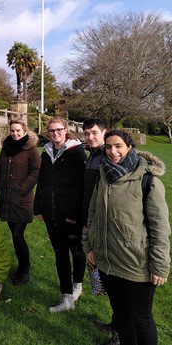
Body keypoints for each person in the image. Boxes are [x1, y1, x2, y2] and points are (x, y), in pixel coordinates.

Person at [82, 129, 170, 345]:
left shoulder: (148, 181)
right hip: (108, 262)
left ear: (130, 147)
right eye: (109, 147)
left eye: (118, 146)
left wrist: (159, 265)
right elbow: (92, 215)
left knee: (141, 319)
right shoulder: (102, 177)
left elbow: (160, 227)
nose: (113, 151)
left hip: (136, 265)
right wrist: (89, 247)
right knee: (121, 315)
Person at [34, 116, 87, 312]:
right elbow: (42, 180)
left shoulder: (77, 152)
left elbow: (80, 185)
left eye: (58, 130)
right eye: (51, 131)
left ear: (65, 130)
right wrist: (38, 207)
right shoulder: (47, 152)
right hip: (51, 211)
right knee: (59, 253)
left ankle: (78, 285)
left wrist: (73, 213)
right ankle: (66, 298)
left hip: (70, 213)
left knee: (76, 249)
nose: (55, 134)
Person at [82, 119, 119, 345]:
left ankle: (120, 335)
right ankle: (116, 323)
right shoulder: (93, 156)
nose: (90, 137)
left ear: (104, 132)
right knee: (104, 277)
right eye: (87, 134)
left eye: (94, 133)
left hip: (108, 228)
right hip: (93, 224)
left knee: (116, 281)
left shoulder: (109, 158)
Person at [0, 119, 40, 285]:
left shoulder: (31, 149)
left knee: (17, 235)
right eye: (12, 131)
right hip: (7, 199)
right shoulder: (7, 148)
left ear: (25, 131)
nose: (15, 134)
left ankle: (25, 269)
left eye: (18, 131)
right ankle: (21, 267)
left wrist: (22, 189)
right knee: (15, 235)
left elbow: (35, 172)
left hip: (21, 201)